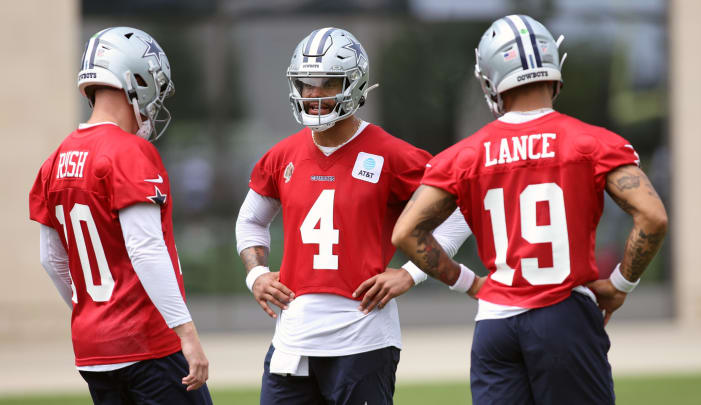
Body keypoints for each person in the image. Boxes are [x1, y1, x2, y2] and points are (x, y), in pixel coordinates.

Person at [391, 15, 668, 405]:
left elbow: (406, 232)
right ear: (555, 69)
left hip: (494, 325)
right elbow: (652, 216)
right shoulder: (592, 142)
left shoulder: (464, 155)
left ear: (490, 79)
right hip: (564, 315)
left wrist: (469, 283)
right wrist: (622, 284)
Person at [235, 27, 475, 405]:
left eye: (326, 83)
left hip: (362, 337)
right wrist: (255, 275)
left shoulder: (391, 154)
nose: (313, 94)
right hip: (292, 339)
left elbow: (461, 208)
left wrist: (412, 273)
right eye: (306, 83)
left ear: (354, 83)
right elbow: (250, 220)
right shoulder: (282, 155)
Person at [28, 27, 212, 404]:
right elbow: (145, 248)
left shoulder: (54, 160)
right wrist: (187, 333)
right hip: (147, 345)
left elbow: (51, 260)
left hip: (94, 350)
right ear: (135, 79)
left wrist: (97, 313)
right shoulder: (129, 152)